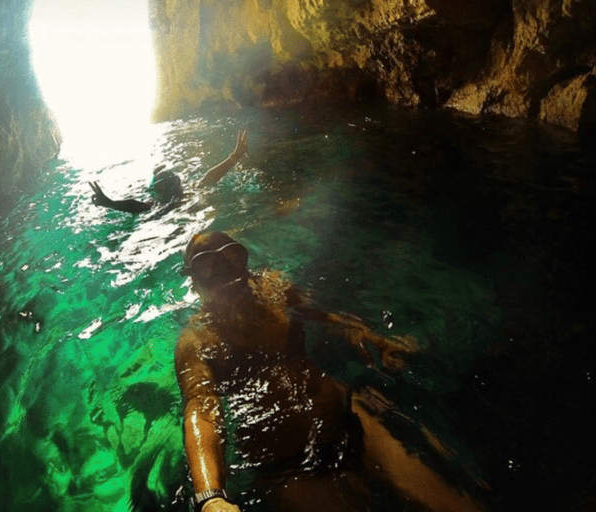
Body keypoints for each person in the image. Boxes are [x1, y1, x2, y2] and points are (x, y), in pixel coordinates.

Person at [175, 231, 487, 512]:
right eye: (208, 268)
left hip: (348, 419)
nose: (229, 277)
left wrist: (371, 339)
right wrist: (211, 497)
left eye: (231, 258)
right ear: (195, 282)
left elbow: (325, 318)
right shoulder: (196, 340)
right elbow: (200, 410)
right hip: (287, 468)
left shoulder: (275, 288)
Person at [89, 130, 248, 214]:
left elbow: (136, 206)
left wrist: (110, 204)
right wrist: (235, 156)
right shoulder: (187, 194)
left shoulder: (158, 205)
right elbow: (210, 176)